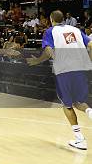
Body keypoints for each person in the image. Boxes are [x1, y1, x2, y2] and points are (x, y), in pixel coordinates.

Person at [27, 10, 92, 150]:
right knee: (79, 101)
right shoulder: (75, 29)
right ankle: (90, 113)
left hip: (63, 70)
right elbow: (91, 44)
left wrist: (38, 60)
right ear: (63, 19)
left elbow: (49, 50)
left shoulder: (50, 32)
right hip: (80, 69)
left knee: (67, 104)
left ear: (51, 19)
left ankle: (80, 139)